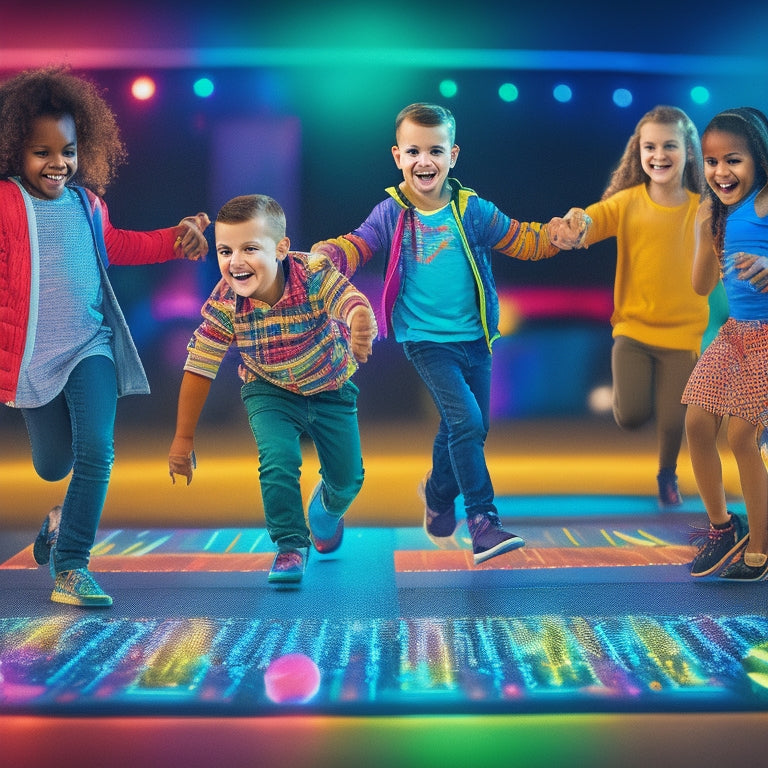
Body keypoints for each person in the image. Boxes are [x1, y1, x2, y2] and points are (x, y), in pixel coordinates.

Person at [311, 102, 589, 566]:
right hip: (424, 340)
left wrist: (558, 235)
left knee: (466, 425)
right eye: (414, 151)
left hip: (475, 339)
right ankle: (481, 520)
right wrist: (332, 253)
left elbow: (525, 239)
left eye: (435, 151)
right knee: (468, 423)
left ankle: (438, 495)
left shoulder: (473, 211)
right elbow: (359, 243)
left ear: (453, 155)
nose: (425, 161)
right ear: (397, 156)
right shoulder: (390, 213)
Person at [0, 66, 210, 607]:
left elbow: (121, 245)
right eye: (41, 152)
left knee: (97, 450)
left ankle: (70, 566)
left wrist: (175, 240)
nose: (57, 163)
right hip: (31, 360)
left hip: (87, 346)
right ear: (14, 151)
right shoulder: (5, 204)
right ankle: (59, 516)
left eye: (66, 150)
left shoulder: (88, 205)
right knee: (54, 465)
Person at [168, 194, 377, 584]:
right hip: (268, 389)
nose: (235, 262)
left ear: (281, 248)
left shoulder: (312, 271)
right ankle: (289, 546)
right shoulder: (225, 302)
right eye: (225, 250)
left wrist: (360, 318)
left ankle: (326, 509)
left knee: (349, 480)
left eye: (250, 248)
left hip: (330, 387)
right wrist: (183, 438)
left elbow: (346, 299)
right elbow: (200, 364)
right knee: (278, 460)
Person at [568, 105, 710, 508]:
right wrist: (574, 225)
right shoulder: (627, 203)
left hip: (683, 334)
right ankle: (630, 393)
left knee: (672, 420)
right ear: (638, 152)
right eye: (650, 146)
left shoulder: (704, 209)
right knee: (630, 416)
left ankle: (667, 473)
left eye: (669, 146)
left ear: (688, 152)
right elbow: (590, 220)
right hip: (632, 330)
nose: (659, 155)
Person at [683, 106, 768, 581]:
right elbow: (700, 286)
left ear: (758, 158)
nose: (721, 172)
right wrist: (701, 233)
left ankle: (762, 546)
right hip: (736, 333)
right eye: (712, 162)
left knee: (741, 434)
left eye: (733, 160)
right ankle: (723, 527)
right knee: (696, 419)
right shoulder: (720, 213)